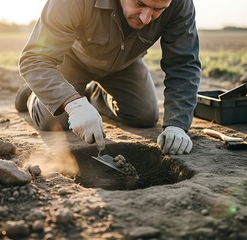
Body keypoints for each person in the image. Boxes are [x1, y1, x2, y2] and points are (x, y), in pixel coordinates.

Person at [17, 0, 201, 155]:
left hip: (124, 65)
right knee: (53, 121)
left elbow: (183, 64)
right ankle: (33, 93)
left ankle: (92, 95)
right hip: (73, 61)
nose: (146, 18)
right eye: (140, 3)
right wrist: (72, 103)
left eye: (158, 9)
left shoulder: (179, 4)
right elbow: (34, 59)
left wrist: (177, 125)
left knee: (143, 116)